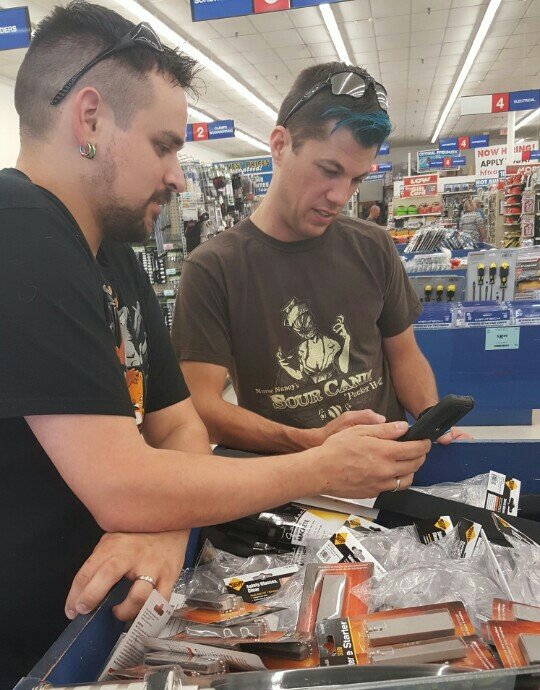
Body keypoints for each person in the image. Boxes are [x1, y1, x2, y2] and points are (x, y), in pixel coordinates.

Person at [0, 6, 430, 690]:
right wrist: (320, 463)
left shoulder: (111, 252)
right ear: (90, 119)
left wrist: (166, 526)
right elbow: (122, 484)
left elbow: (180, 426)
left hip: (102, 624)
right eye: (164, 145)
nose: (178, 176)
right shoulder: (19, 233)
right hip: (29, 657)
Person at [173, 63, 468, 455]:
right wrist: (312, 444)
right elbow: (199, 405)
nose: (340, 196)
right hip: (286, 480)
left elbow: (404, 356)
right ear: (280, 145)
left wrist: (430, 416)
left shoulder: (374, 245)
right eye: (329, 170)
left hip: (383, 469)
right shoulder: (213, 270)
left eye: (356, 179)